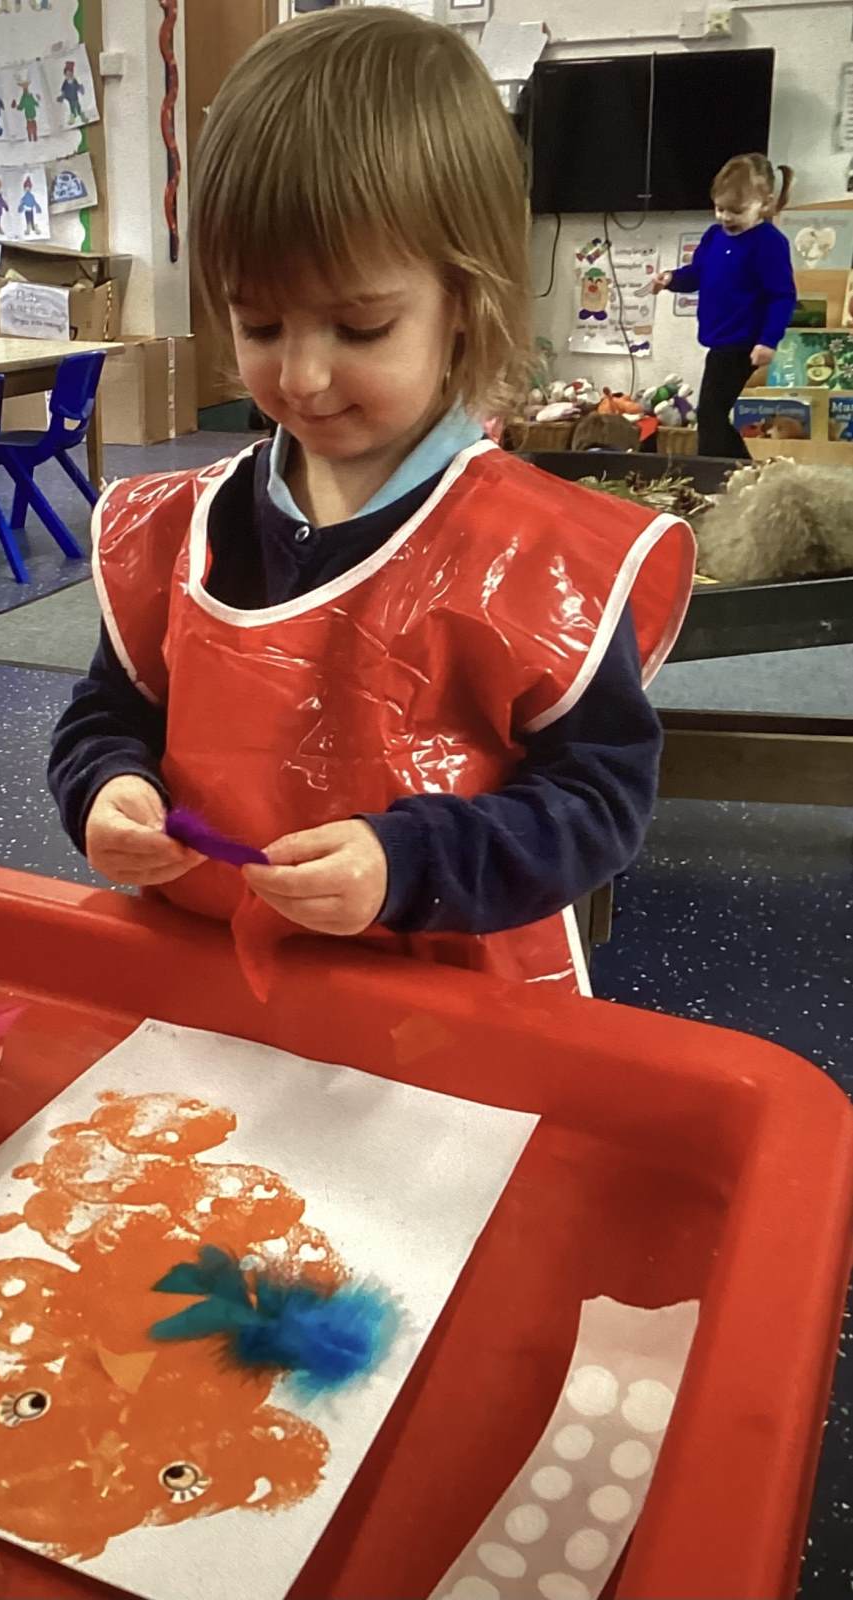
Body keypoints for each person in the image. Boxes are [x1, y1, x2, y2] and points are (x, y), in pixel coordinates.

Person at [48, 6, 695, 995]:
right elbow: (109, 712)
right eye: (259, 323)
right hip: (209, 988)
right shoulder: (180, 530)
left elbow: (597, 802)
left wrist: (409, 862)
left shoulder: (538, 552)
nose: (301, 376)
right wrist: (106, 787)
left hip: (445, 1006)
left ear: (464, 303)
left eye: (359, 328)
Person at [651, 154, 796, 459]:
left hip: (745, 344)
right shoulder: (714, 236)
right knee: (713, 415)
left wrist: (768, 341)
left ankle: (722, 473)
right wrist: (671, 279)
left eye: (736, 211)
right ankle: (742, 471)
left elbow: (782, 296)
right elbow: (698, 273)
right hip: (719, 340)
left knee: (711, 415)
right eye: (720, 208)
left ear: (765, 204)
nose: (726, 217)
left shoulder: (769, 243)